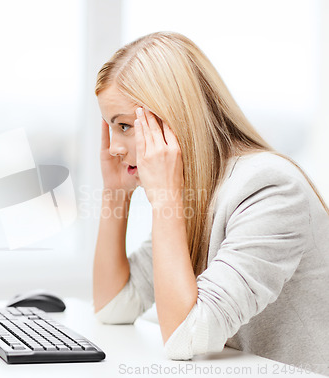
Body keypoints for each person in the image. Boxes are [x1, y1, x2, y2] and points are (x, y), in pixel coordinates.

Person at [92, 31, 329, 374]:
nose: (114, 146)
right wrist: (116, 193)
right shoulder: (200, 189)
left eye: (126, 126)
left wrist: (165, 201)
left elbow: (186, 336)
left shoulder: (269, 188)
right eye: (111, 127)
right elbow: (114, 307)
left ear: (174, 118)